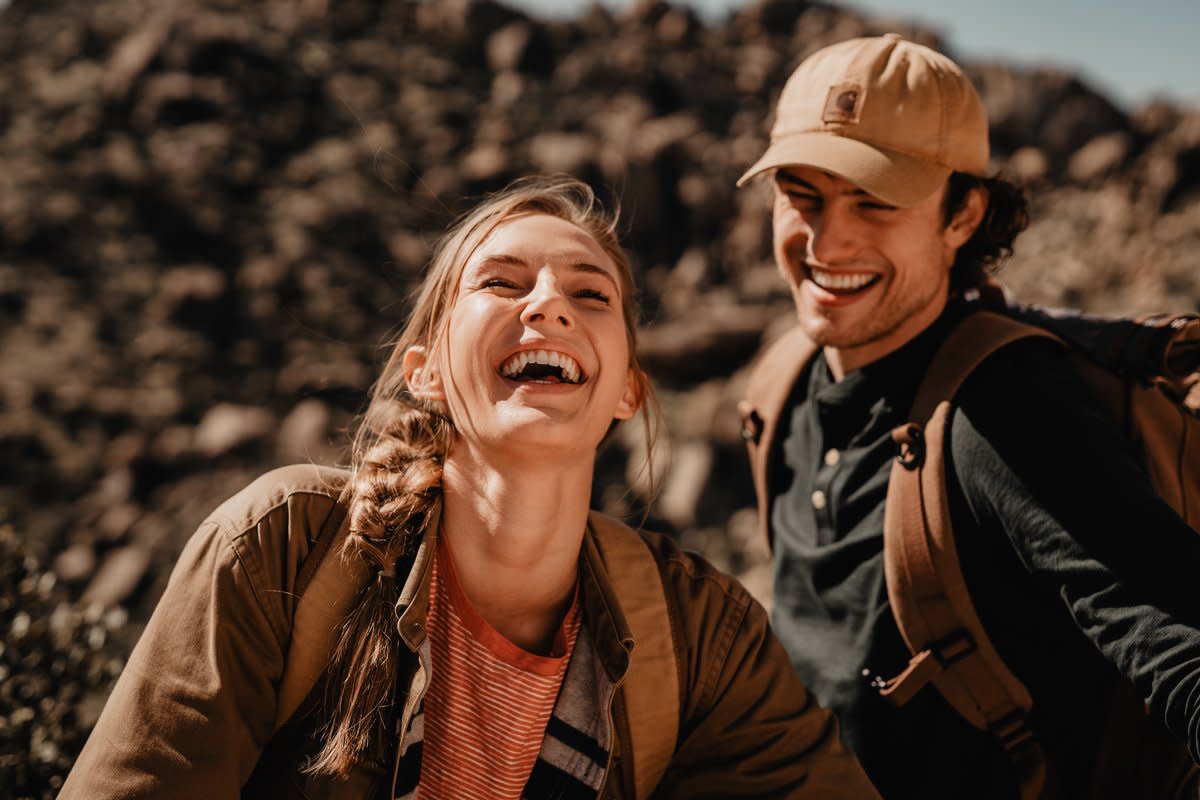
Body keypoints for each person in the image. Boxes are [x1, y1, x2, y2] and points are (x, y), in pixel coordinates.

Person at [60, 176, 880, 799]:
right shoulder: (279, 551)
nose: (550, 304)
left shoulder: (700, 635)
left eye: (590, 293)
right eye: (501, 283)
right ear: (425, 374)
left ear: (628, 388)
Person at [735, 34, 1200, 799]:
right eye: (801, 194)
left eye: (874, 201)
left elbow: (1175, 638)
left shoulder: (1005, 408)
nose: (826, 241)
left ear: (962, 215)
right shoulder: (781, 382)